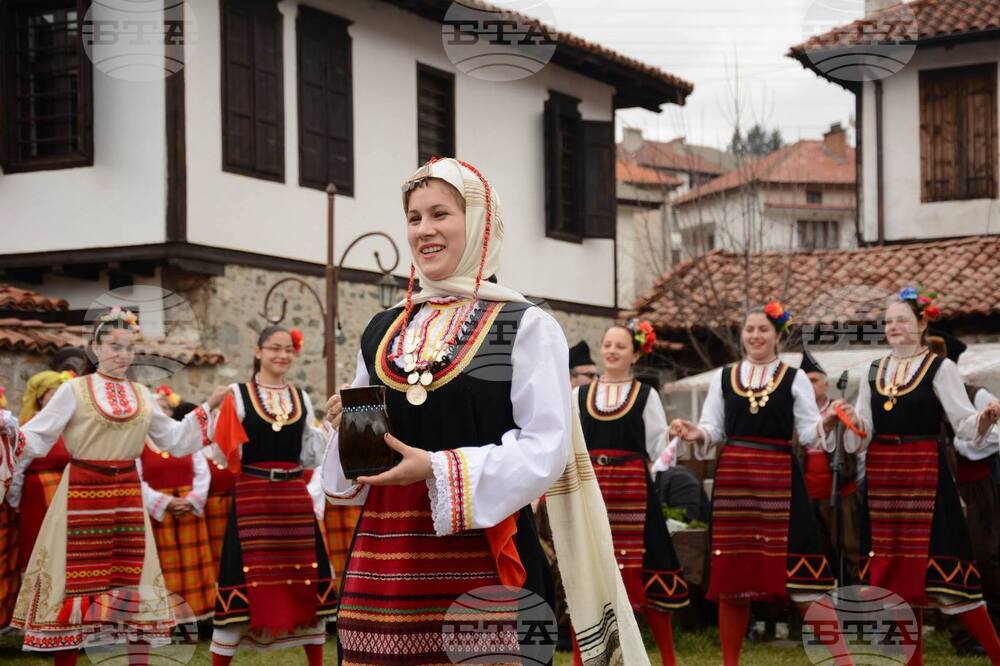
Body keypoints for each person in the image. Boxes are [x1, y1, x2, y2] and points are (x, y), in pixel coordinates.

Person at [322, 158, 571, 664]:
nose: (424, 230)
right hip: (387, 553)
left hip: (482, 546)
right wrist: (348, 428)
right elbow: (362, 455)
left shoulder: (519, 324)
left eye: (440, 214)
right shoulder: (384, 328)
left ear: (479, 222)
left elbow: (546, 446)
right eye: (414, 218)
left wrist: (438, 469)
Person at [9, 308, 226, 665]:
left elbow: (174, 440)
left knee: (132, 586)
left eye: (129, 347)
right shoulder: (73, 390)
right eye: (114, 346)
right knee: (74, 585)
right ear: (95, 348)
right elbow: (37, 436)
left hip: (126, 494)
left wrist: (209, 406)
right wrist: (9, 431)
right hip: (81, 492)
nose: (123, 354)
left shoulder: (142, 394)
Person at [670, 301, 849, 666]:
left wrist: (828, 422)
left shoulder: (794, 378)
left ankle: (844, 661)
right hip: (735, 481)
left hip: (780, 479)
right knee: (733, 581)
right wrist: (694, 432)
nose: (755, 335)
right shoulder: (724, 377)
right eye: (749, 329)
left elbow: (808, 433)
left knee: (805, 575)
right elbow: (712, 427)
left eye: (763, 329)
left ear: (777, 335)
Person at [840, 288, 1000, 665]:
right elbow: (863, 432)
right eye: (888, 321)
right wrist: (846, 420)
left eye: (902, 320)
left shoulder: (940, 368)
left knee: (950, 576)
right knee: (896, 582)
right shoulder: (872, 370)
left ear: (922, 323)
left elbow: (962, 423)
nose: (894, 327)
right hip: (883, 478)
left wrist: (985, 418)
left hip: (924, 472)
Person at [207, 325, 335, 664]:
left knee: (305, 579)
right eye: (275, 348)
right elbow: (222, 451)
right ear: (258, 351)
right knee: (243, 581)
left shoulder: (300, 397)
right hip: (254, 498)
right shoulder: (237, 395)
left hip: (293, 499)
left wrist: (331, 426)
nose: (282, 355)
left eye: (288, 350)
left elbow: (310, 455)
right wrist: (218, 418)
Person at [572, 320, 687, 665]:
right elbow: (569, 444)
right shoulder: (579, 395)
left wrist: (673, 434)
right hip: (592, 489)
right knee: (587, 573)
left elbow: (658, 446)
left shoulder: (646, 395)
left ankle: (668, 658)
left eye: (620, 346)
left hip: (634, 491)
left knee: (651, 567)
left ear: (635, 354)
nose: (612, 351)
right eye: (607, 344)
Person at [137, 400, 216, 622]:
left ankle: (200, 614)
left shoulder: (184, 441)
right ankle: (168, 617)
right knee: (164, 565)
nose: (162, 411)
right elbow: (136, 479)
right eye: (157, 407)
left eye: (166, 408)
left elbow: (202, 472)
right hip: (159, 514)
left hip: (188, 510)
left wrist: (192, 500)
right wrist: (164, 502)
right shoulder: (138, 444)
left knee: (195, 564)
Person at [799, 351, 862, 585]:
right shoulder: (795, 415)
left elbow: (857, 447)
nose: (809, 386)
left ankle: (853, 597)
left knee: (848, 548)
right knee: (814, 550)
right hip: (806, 495)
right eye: (804, 382)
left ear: (826, 384)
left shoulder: (841, 410)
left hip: (839, 493)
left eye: (813, 380)